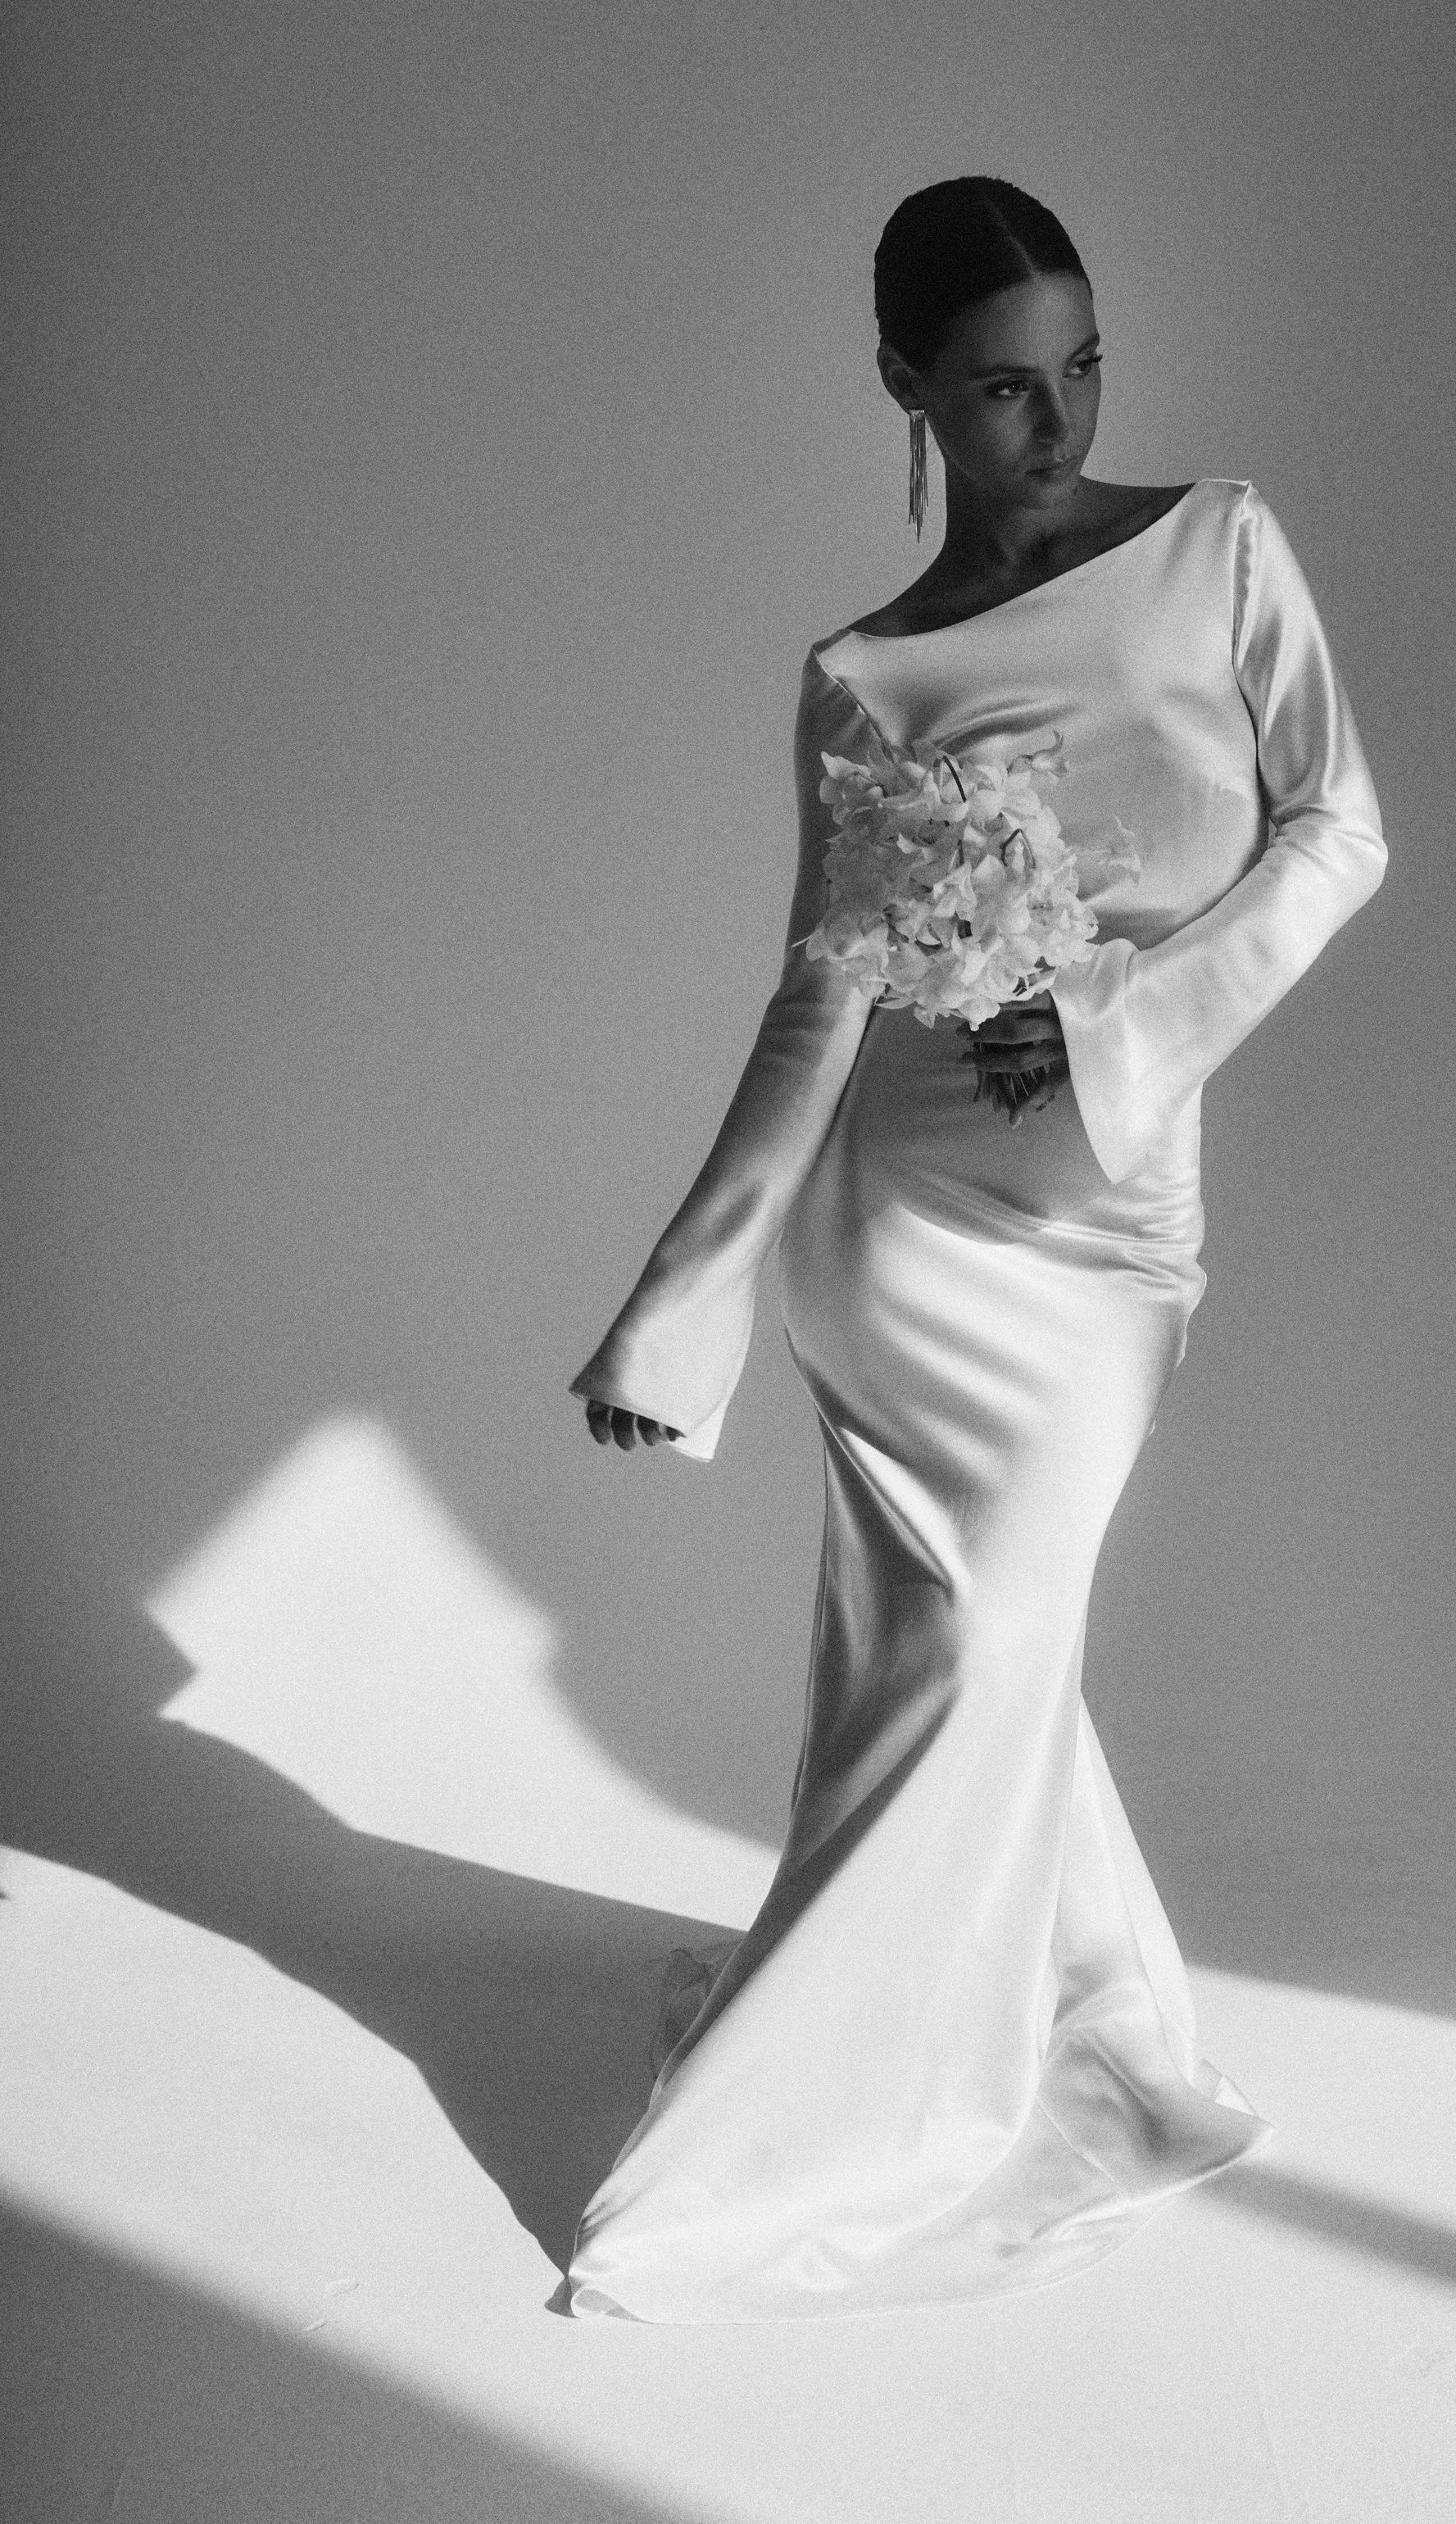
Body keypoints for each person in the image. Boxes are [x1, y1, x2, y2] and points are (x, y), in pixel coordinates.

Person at [564, 175, 1388, 2321]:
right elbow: (818, 1000)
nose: (1057, 415)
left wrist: (1114, 1024)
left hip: (1109, 1234)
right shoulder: (870, 672)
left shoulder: (1217, 549)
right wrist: (684, 1282)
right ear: (907, 388)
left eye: (1084, 365)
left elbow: (1338, 832)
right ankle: (849, 2110)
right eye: (1005, 384)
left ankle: (939, 2080)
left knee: (977, 1657)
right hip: (897, 1229)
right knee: (957, 1668)